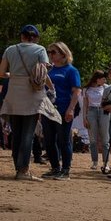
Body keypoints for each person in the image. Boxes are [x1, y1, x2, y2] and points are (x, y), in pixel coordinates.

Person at [0, 25, 50, 181]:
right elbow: (43, 71)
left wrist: (14, 74)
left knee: (17, 134)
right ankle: (23, 170)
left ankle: (18, 168)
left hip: (14, 93)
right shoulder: (40, 49)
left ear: (22, 36)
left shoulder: (10, 49)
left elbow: (2, 73)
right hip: (31, 94)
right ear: (35, 37)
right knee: (28, 134)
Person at [41, 41, 81, 180]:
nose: (50, 55)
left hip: (63, 109)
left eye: (53, 52)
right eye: (49, 52)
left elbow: (76, 92)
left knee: (64, 140)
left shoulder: (71, 70)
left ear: (63, 54)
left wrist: (71, 109)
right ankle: (54, 167)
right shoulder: (49, 70)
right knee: (49, 140)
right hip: (48, 109)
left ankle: (65, 170)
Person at [82, 70, 111, 170]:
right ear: (97, 79)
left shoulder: (106, 87)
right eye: (103, 78)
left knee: (105, 138)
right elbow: (85, 105)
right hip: (91, 111)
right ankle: (95, 161)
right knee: (92, 138)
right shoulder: (86, 89)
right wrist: (84, 118)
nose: (105, 80)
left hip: (103, 111)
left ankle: (105, 162)